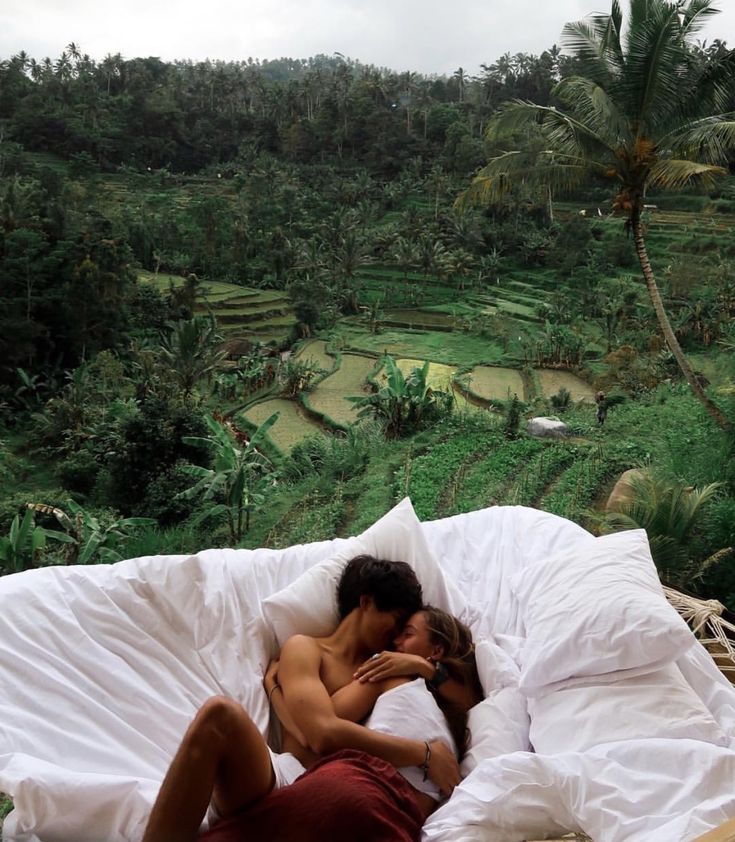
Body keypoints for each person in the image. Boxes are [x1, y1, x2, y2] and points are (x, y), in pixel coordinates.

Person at [141, 556, 462, 842]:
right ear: (366, 602)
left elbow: (466, 699)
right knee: (219, 716)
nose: (396, 636)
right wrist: (423, 754)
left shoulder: (385, 664)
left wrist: (422, 666)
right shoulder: (306, 649)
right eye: (397, 619)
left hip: (341, 784)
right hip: (288, 775)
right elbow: (319, 737)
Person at [200, 605, 482, 842]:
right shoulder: (453, 720)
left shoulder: (386, 670)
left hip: (360, 796)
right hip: (400, 823)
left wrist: (275, 690)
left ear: (436, 650)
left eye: (407, 635)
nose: (395, 643)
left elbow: (317, 733)